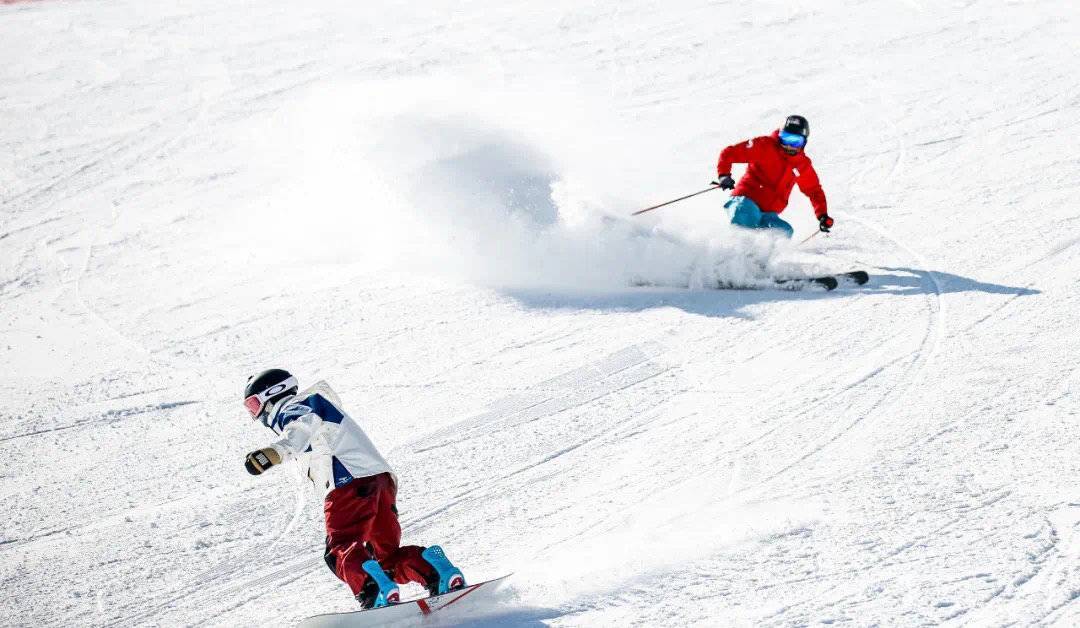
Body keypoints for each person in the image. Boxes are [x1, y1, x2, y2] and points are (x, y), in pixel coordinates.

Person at [242, 368, 465, 608]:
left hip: (347, 482)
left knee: (340, 549)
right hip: (380, 482)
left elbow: (301, 428)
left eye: (254, 405)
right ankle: (436, 571)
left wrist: (273, 454)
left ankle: (373, 590)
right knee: (385, 557)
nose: (256, 415)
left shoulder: (297, 406)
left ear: (273, 393)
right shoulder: (320, 405)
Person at [715, 115, 834, 239]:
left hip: (768, 214)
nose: (789, 145)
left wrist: (822, 215)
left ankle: (758, 257)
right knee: (747, 216)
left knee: (783, 232)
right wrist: (724, 175)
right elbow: (729, 153)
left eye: (795, 141)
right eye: (785, 139)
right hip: (746, 201)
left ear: (803, 142)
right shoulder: (765, 146)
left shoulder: (802, 164)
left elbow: (814, 190)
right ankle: (732, 252)